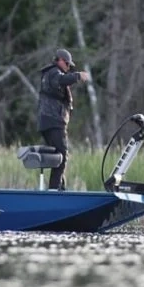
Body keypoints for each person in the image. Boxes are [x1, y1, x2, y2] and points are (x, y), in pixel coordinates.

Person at [37, 48, 90, 190]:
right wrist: (78, 75)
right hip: (53, 121)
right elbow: (61, 80)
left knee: (59, 157)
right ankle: (55, 191)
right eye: (67, 64)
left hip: (48, 122)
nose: (68, 68)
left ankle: (60, 189)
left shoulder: (50, 73)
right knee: (62, 156)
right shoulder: (54, 72)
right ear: (60, 60)